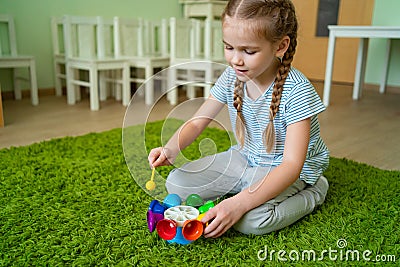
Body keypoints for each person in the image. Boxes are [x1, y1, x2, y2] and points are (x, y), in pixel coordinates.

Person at [148, 0, 329, 238]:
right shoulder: (231, 76)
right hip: (245, 158)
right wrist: (171, 148)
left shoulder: (297, 91)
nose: (235, 60)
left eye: (248, 51)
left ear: (281, 46)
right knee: (176, 183)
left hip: (286, 170)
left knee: (251, 221)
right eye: (229, 47)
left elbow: (291, 166)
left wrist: (239, 204)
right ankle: (243, 188)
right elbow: (197, 121)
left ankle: (316, 190)